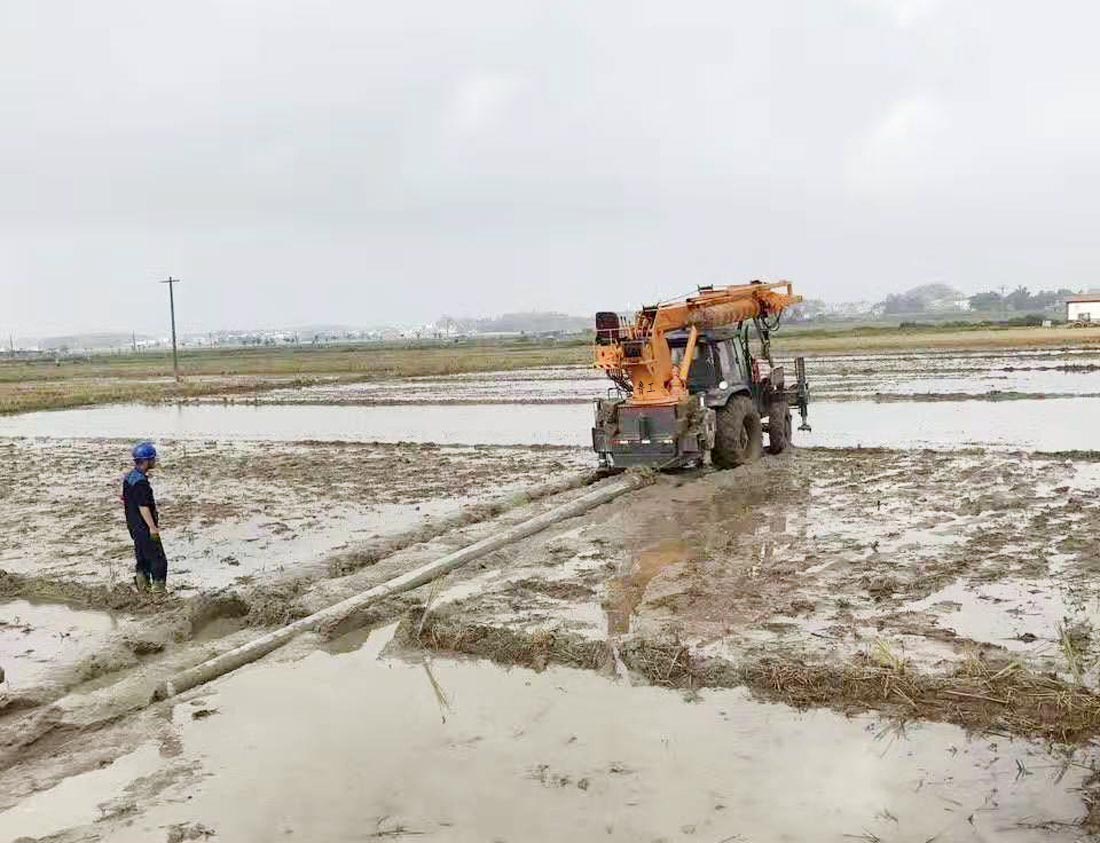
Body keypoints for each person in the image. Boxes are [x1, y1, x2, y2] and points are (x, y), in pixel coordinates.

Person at [122, 441, 168, 594]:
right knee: (158, 559)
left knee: (142, 557)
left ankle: (142, 587)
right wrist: (153, 528)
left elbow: (126, 498)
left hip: (133, 526)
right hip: (144, 527)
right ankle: (158, 591)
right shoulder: (141, 482)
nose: (155, 461)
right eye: (153, 459)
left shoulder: (129, 478)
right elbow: (143, 507)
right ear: (146, 461)